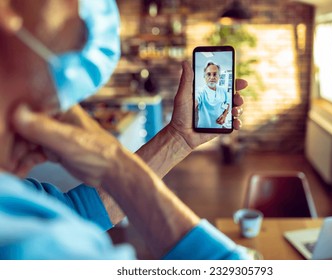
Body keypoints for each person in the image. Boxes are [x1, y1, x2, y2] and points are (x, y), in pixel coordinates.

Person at [0, 0, 249, 259]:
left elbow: (76, 213)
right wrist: (117, 165)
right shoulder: (34, 247)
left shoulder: (18, 210)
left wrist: (178, 139)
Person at [195, 61, 231, 129]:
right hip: (203, 129)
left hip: (219, 128)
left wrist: (224, 115)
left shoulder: (223, 90)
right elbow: (195, 100)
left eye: (215, 74)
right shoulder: (200, 91)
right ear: (204, 76)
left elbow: (227, 104)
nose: (212, 77)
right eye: (208, 74)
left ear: (219, 76)